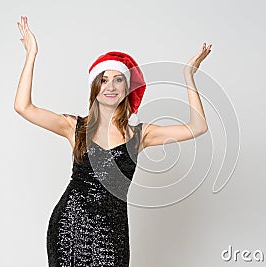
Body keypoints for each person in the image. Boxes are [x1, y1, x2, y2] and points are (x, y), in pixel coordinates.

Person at [14, 15, 211, 267]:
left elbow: (198, 126)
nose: (111, 86)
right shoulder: (75, 127)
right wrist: (31, 54)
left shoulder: (141, 135)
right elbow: (23, 107)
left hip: (113, 231)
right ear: (95, 87)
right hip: (70, 225)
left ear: (127, 88)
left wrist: (189, 76)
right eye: (104, 79)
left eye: (118, 79)